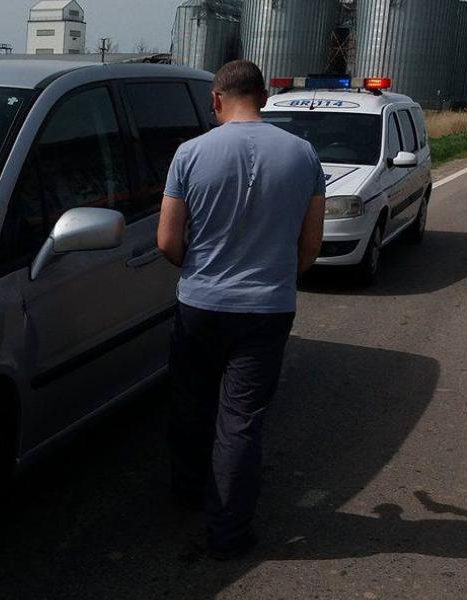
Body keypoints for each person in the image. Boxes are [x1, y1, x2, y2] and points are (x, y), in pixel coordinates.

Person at [157, 60, 326, 559]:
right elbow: (311, 245)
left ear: (216, 99)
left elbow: (167, 240)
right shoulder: (303, 154)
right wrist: (277, 277)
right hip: (267, 310)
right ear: (264, 99)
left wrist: (198, 270)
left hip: (201, 304)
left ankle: (188, 493)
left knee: (191, 404)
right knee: (241, 421)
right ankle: (228, 532)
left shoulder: (189, 153)